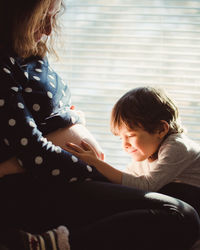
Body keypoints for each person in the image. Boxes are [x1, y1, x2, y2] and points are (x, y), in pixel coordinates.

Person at [0, 0, 199, 249]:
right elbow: (30, 148)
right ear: (17, 16)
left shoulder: (31, 54)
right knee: (180, 215)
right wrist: (94, 167)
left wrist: (74, 121)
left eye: (53, 17)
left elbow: (48, 118)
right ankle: (45, 244)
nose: (50, 30)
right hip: (46, 184)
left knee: (183, 210)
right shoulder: (3, 63)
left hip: (71, 177)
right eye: (42, 19)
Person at [66, 86, 200, 215]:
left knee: (158, 194)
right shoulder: (146, 153)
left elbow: (147, 186)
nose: (125, 145)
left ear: (161, 129)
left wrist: (97, 164)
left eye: (130, 136)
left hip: (194, 201)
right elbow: (126, 182)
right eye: (120, 138)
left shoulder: (177, 146)